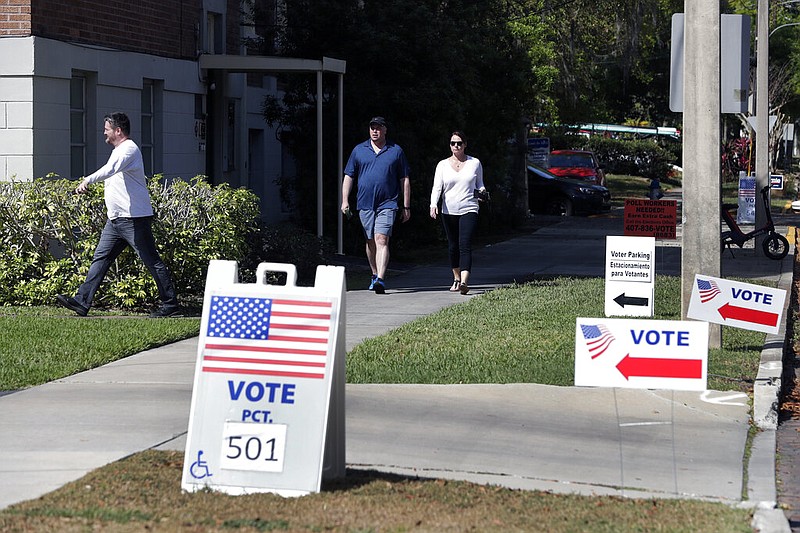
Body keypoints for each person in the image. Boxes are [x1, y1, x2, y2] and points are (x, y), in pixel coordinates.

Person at [56, 112, 180, 318]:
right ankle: (82, 301)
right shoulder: (119, 150)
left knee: (151, 260)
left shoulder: (129, 149)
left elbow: (111, 169)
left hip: (133, 219)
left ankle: (170, 304)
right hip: (116, 220)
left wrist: (87, 180)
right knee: (101, 258)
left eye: (107, 128)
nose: (104, 132)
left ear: (118, 130)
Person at [341, 116, 411, 294]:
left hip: (388, 203)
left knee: (382, 239)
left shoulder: (395, 151)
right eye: (372, 127)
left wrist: (406, 205)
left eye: (378, 128)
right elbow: (349, 176)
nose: (375, 131)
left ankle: (380, 278)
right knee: (370, 240)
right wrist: (345, 200)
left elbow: (405, 179)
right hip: (364, 203)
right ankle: (374, 274)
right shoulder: (359, 150)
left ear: (385, 130)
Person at [429, 131, 486, 295]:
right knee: (453, 246)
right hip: (449, 210)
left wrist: (482, 193)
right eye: (453, 143)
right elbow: (437, 187)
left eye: (459, 143)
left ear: (465, 144)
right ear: (450, 145)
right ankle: (456, 277)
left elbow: (480, 184)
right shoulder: (442, 165)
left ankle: (464, 282)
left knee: (465, 244)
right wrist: (433, 204)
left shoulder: (474, 163)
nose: (456, 146)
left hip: (469, 208)